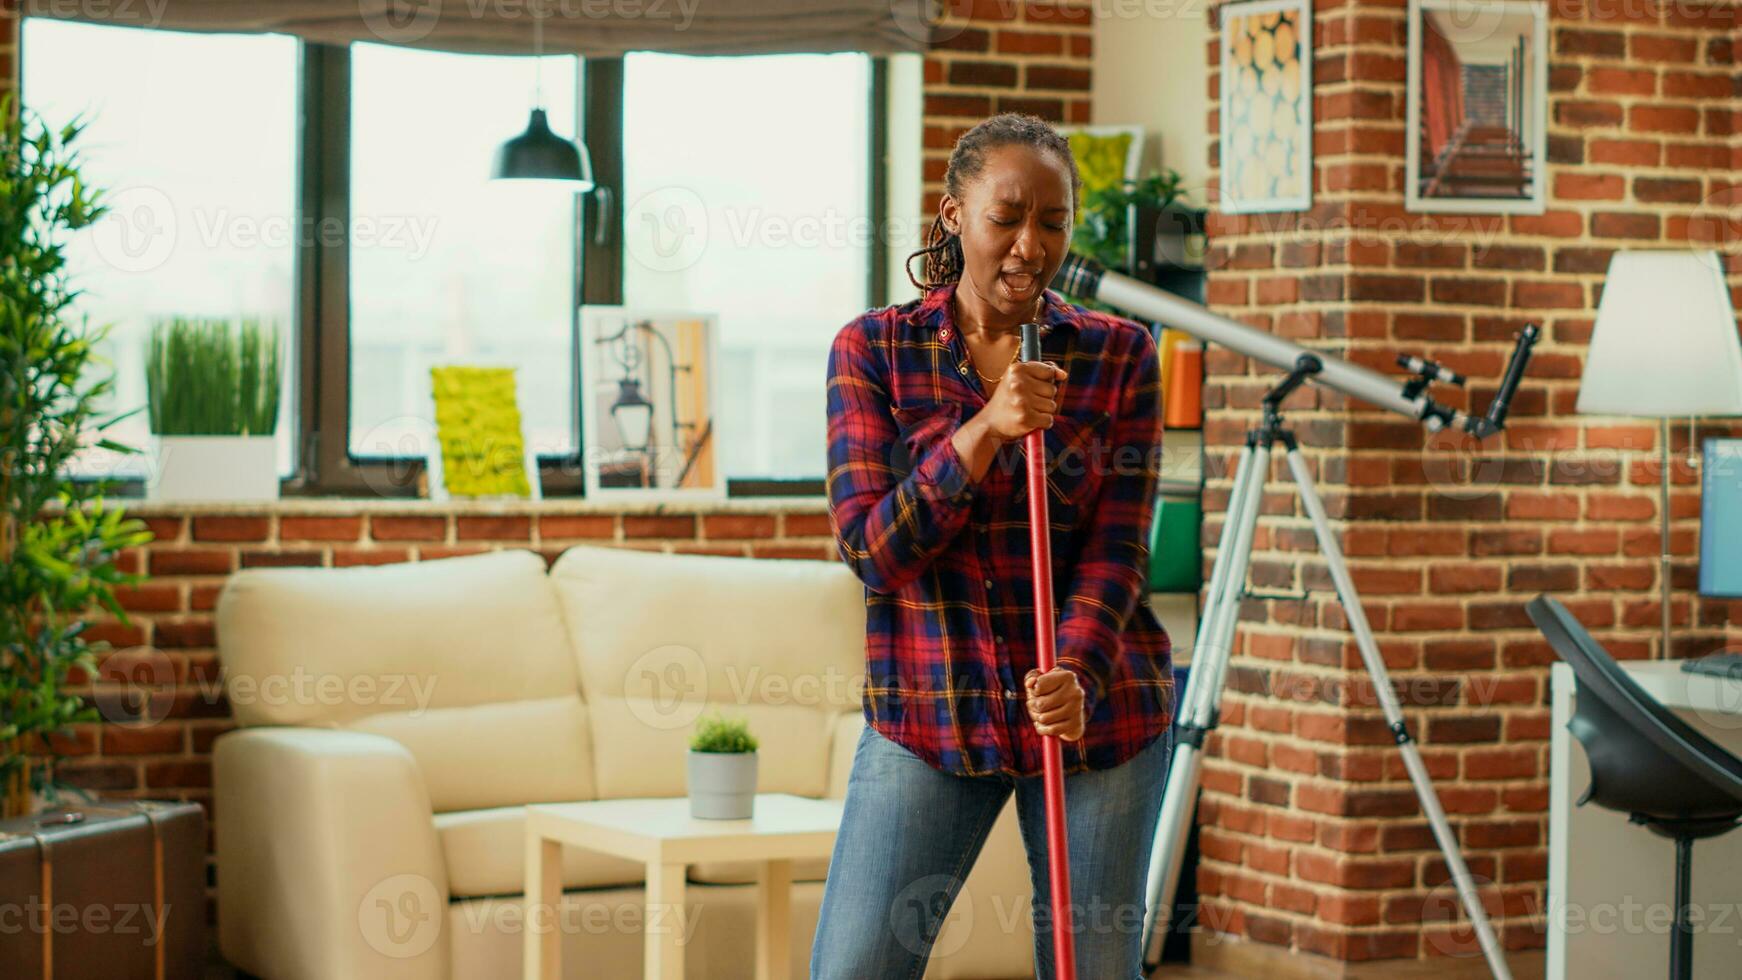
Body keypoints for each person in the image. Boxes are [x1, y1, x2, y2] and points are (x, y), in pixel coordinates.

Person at [812, 112, 1177, 980]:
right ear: (953, 216)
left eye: (1052, 222)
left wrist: (1077, 675)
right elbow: (872, 551)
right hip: (934, 710)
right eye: (1005, 217)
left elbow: (1120, 550)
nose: (1029, 245)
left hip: (1096, 718)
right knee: (855, 968)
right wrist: (984, 432)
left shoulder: (1118, 354)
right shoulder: (872, 352)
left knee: (1092, 970)